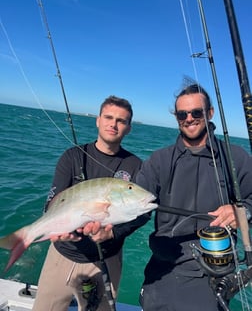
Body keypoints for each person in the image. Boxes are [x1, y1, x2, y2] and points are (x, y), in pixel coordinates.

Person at [136, 82, 252, 311]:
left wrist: (242, 211)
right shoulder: (159, 160)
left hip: (213, 274)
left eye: (196, 112)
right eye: (182, 114)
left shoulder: (236, 157)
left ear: (209, 113)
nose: (189, 118)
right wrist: (109, 228)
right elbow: (135, 209)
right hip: (163, 271)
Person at [33, 95, 150, 311]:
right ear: (98, 120)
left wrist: (112, 233)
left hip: (107, 258)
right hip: (62, 255)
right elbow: (52, 202)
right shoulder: (72, 156)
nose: (113, 124)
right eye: (108, 117)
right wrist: (65, 231)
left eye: (121, 121)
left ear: (129, 128)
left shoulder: (135, 165)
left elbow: (144, 213)